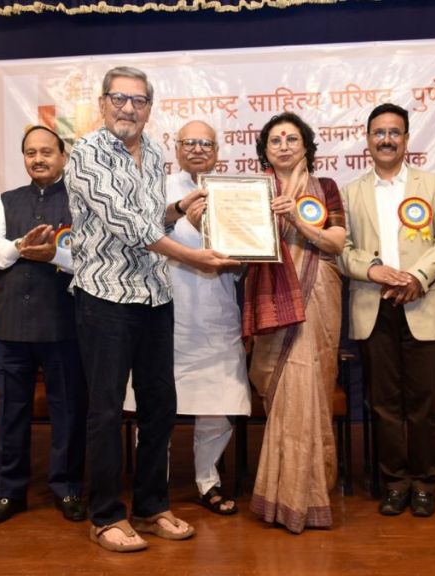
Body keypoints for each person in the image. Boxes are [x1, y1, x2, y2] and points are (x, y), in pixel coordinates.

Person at [65, 66, 237, 553]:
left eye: (138, 101)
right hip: (105, 298)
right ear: (102, 104)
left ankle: (151, 505)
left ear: (149, 108)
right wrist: (194, 256)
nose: (128, 108)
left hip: (156, 296)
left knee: (160, 406)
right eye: (119, 99)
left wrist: (179, 210)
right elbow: (127, 226)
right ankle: (105, 516)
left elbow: (149, 218)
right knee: (105, 411)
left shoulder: (157, 152)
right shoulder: (86, 154)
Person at [339, 103, 435, 518]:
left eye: (394, 132)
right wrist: (373, 270)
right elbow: (343, 251)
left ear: (406, 139)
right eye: (378, 132)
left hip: (421, 301)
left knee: (423, 405)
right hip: (374, 306)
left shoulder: (434, 185)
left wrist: (416, 277)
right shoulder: (351, 192)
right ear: (368, 139)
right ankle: (394, 483)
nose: (386, 139)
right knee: (383, 404)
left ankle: (425, 483)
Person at [0, 125, 87, 525]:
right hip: (10, 327)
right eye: (30, 153)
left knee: (68, 412)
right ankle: (9, 493)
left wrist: (54, 254)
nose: (38, 159)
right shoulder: (7, 201)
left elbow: (91, 259)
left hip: (64, 326)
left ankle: (68, 487)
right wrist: (20, 246)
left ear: (63, 156)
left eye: (46, 152)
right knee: (12, 413)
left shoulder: (82, 200)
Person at [244, 112, 346, 534]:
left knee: (307, 390)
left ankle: (307, 497)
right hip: (271, 296)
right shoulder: (252, 192)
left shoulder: (326, 189)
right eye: (274, 140)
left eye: (291, 138)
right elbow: (239, 246)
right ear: (264, 150)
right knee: (283, 390)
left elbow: (337, 242)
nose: (283, 145)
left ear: (306, 145)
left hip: (317, 294)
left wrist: (298, 220)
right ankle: (280, 498)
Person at [164, 120, 251, 514]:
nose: (198, 149)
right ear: (176, 147)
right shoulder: (159, 188)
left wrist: (238, 253)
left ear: (217, 150)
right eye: (190, 143)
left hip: (216, 312)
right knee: (158, 403)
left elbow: (245, 260)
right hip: (167, 312)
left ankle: (208, 480)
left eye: (206, 143)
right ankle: (154, 482)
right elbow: (143, 236)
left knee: (217, 400)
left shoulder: (233, 193)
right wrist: (184, 219)